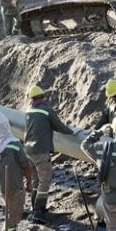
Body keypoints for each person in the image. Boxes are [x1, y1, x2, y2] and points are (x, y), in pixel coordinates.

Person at [23, 84, 75, 223]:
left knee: (35, 181)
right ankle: (39, 213)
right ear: (43, 97)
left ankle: (34, 208)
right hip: (40, 151)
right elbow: (59, 126)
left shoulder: (29, 110)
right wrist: (73, 132)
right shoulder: (47, 110)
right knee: (44, 182)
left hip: (28, 151)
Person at [0, 111, 33, 231]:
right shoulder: (15, 145)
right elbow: (25, 166)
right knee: (13, 218)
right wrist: (29, 182)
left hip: (0, 186)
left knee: (9, 212)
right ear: (6, 126)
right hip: (14, 185)